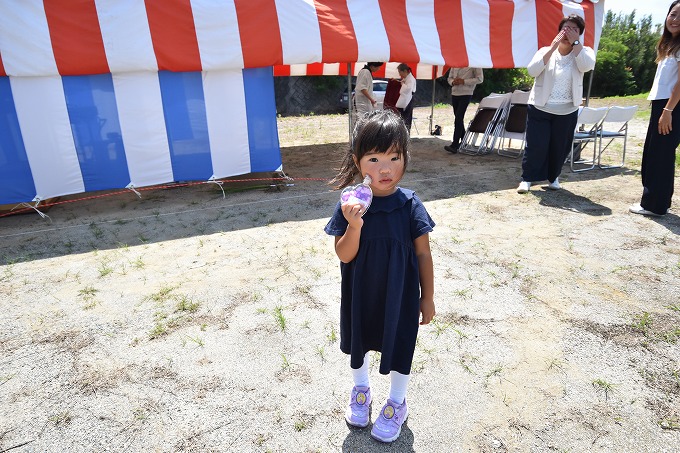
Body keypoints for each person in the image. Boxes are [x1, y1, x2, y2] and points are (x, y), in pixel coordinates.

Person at [324, 109, 435, 443]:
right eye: (374, 158)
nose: (385, 168)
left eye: (394, 157)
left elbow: (423, 253)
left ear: (405, 158)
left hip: (400, 295)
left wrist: (427, 297)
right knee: (359, 339)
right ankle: (361, 390)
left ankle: (397, 402)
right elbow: (344, 254)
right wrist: (354, 224)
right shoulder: (350, 204)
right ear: (357, 161)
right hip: (361, 292)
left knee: (400, 344)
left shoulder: (410, 204)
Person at [517, 15, 595, 193]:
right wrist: (552, 47)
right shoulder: (546, 50)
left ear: (580, 34)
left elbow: (586, 66)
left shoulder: (585, 52)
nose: (568, 32)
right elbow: (532, 70)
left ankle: (553, 178)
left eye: (574, 29)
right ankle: (527, 179)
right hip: (540, 106)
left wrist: (576, 45)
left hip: (568, 109)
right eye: (565, 28)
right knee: (536, 145)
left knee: (560, 146)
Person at [629, 1, 680, 217]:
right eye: (673, 14)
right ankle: (660, 203)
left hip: (671, 106)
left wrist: (667, 111)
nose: (675, 19)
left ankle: (653, 205)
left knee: (659, 155)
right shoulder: (669, 45)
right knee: (658, 154)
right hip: (662, 104)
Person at [444, 67, 483, 154]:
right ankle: (464, 141)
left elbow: (480, 79)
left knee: (458, 117)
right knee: (458, 118)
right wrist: (453, 82)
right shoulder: (455, 63)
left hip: (466, 93)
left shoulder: (474, 63)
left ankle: (454, 145)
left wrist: (464, 81)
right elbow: (449, 78)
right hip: (455, 92)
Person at [396, 63, 417, 133]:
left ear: (405, 71)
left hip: (408, 99)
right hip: (406, 99)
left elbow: (408, 89)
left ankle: (405, 134)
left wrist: (403, 84)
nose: (400, 75)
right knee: (404, 118)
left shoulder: (410, 79)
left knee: (406, 118)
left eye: (400, 72)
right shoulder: (407, 78)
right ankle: (403, 133)